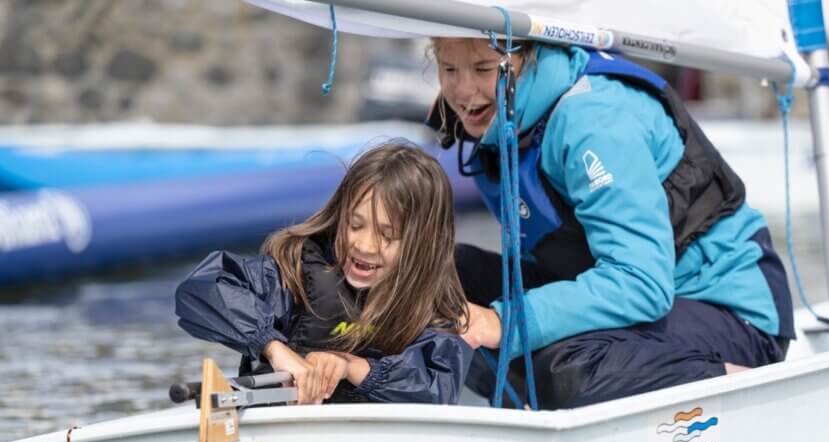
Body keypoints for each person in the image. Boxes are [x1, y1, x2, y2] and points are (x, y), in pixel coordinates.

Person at [427, 38, 795, 409]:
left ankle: (751, 392)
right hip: (620, 302)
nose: (462, 90)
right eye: (449, 69)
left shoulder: (592, 120)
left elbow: (642, 284)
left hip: (729, 313)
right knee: (431, 276)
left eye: (482, 69)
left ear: (527, 58)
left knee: (564, 368)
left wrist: (504, 323)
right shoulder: (503, 122)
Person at [175, 142, 472, 405]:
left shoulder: (434, 306)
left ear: (424, 243)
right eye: (354, 225)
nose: (365, 245)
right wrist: (275, 350)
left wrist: (349, 367)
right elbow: (202, 288)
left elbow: (437, 389)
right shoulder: (296, 273)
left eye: (388, 235)